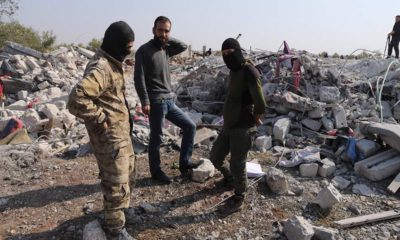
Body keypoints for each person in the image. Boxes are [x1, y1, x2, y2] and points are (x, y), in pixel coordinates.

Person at [67, 21, 135, 240]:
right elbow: (76, 99)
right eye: (127, 46)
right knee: (116, 185)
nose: (130, 50)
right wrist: (100, 118)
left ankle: (120, 214)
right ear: (117, 44)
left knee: (127, 177)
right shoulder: (102, 67)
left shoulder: (113, 62)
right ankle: (115, 231)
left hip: (121, 136)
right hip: (110, 139)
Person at [134, 16, 201, 184]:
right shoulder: (144, 50)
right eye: (160, 30)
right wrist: (145, 102)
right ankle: (156, 171)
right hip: (155, 101)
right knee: (157, 137)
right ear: (153, 30)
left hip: (169, 100)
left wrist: (167, 39)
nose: (163, 33)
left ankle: (184, 164)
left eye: (166, 30)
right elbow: (139, 78)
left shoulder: (166, 49)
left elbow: (183, 46)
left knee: (190, 126)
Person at [210, 38, 266, 214]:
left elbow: (261, 103)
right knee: (215, 157)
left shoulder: (249, 70)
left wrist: (256, 117)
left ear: (238, 51)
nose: (228, 57)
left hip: (242, 126)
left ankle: (239, 196)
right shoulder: (234, 70)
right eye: (224, 54)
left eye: (230, 53)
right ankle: (229, 178)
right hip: (229, 124)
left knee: (237, 164)